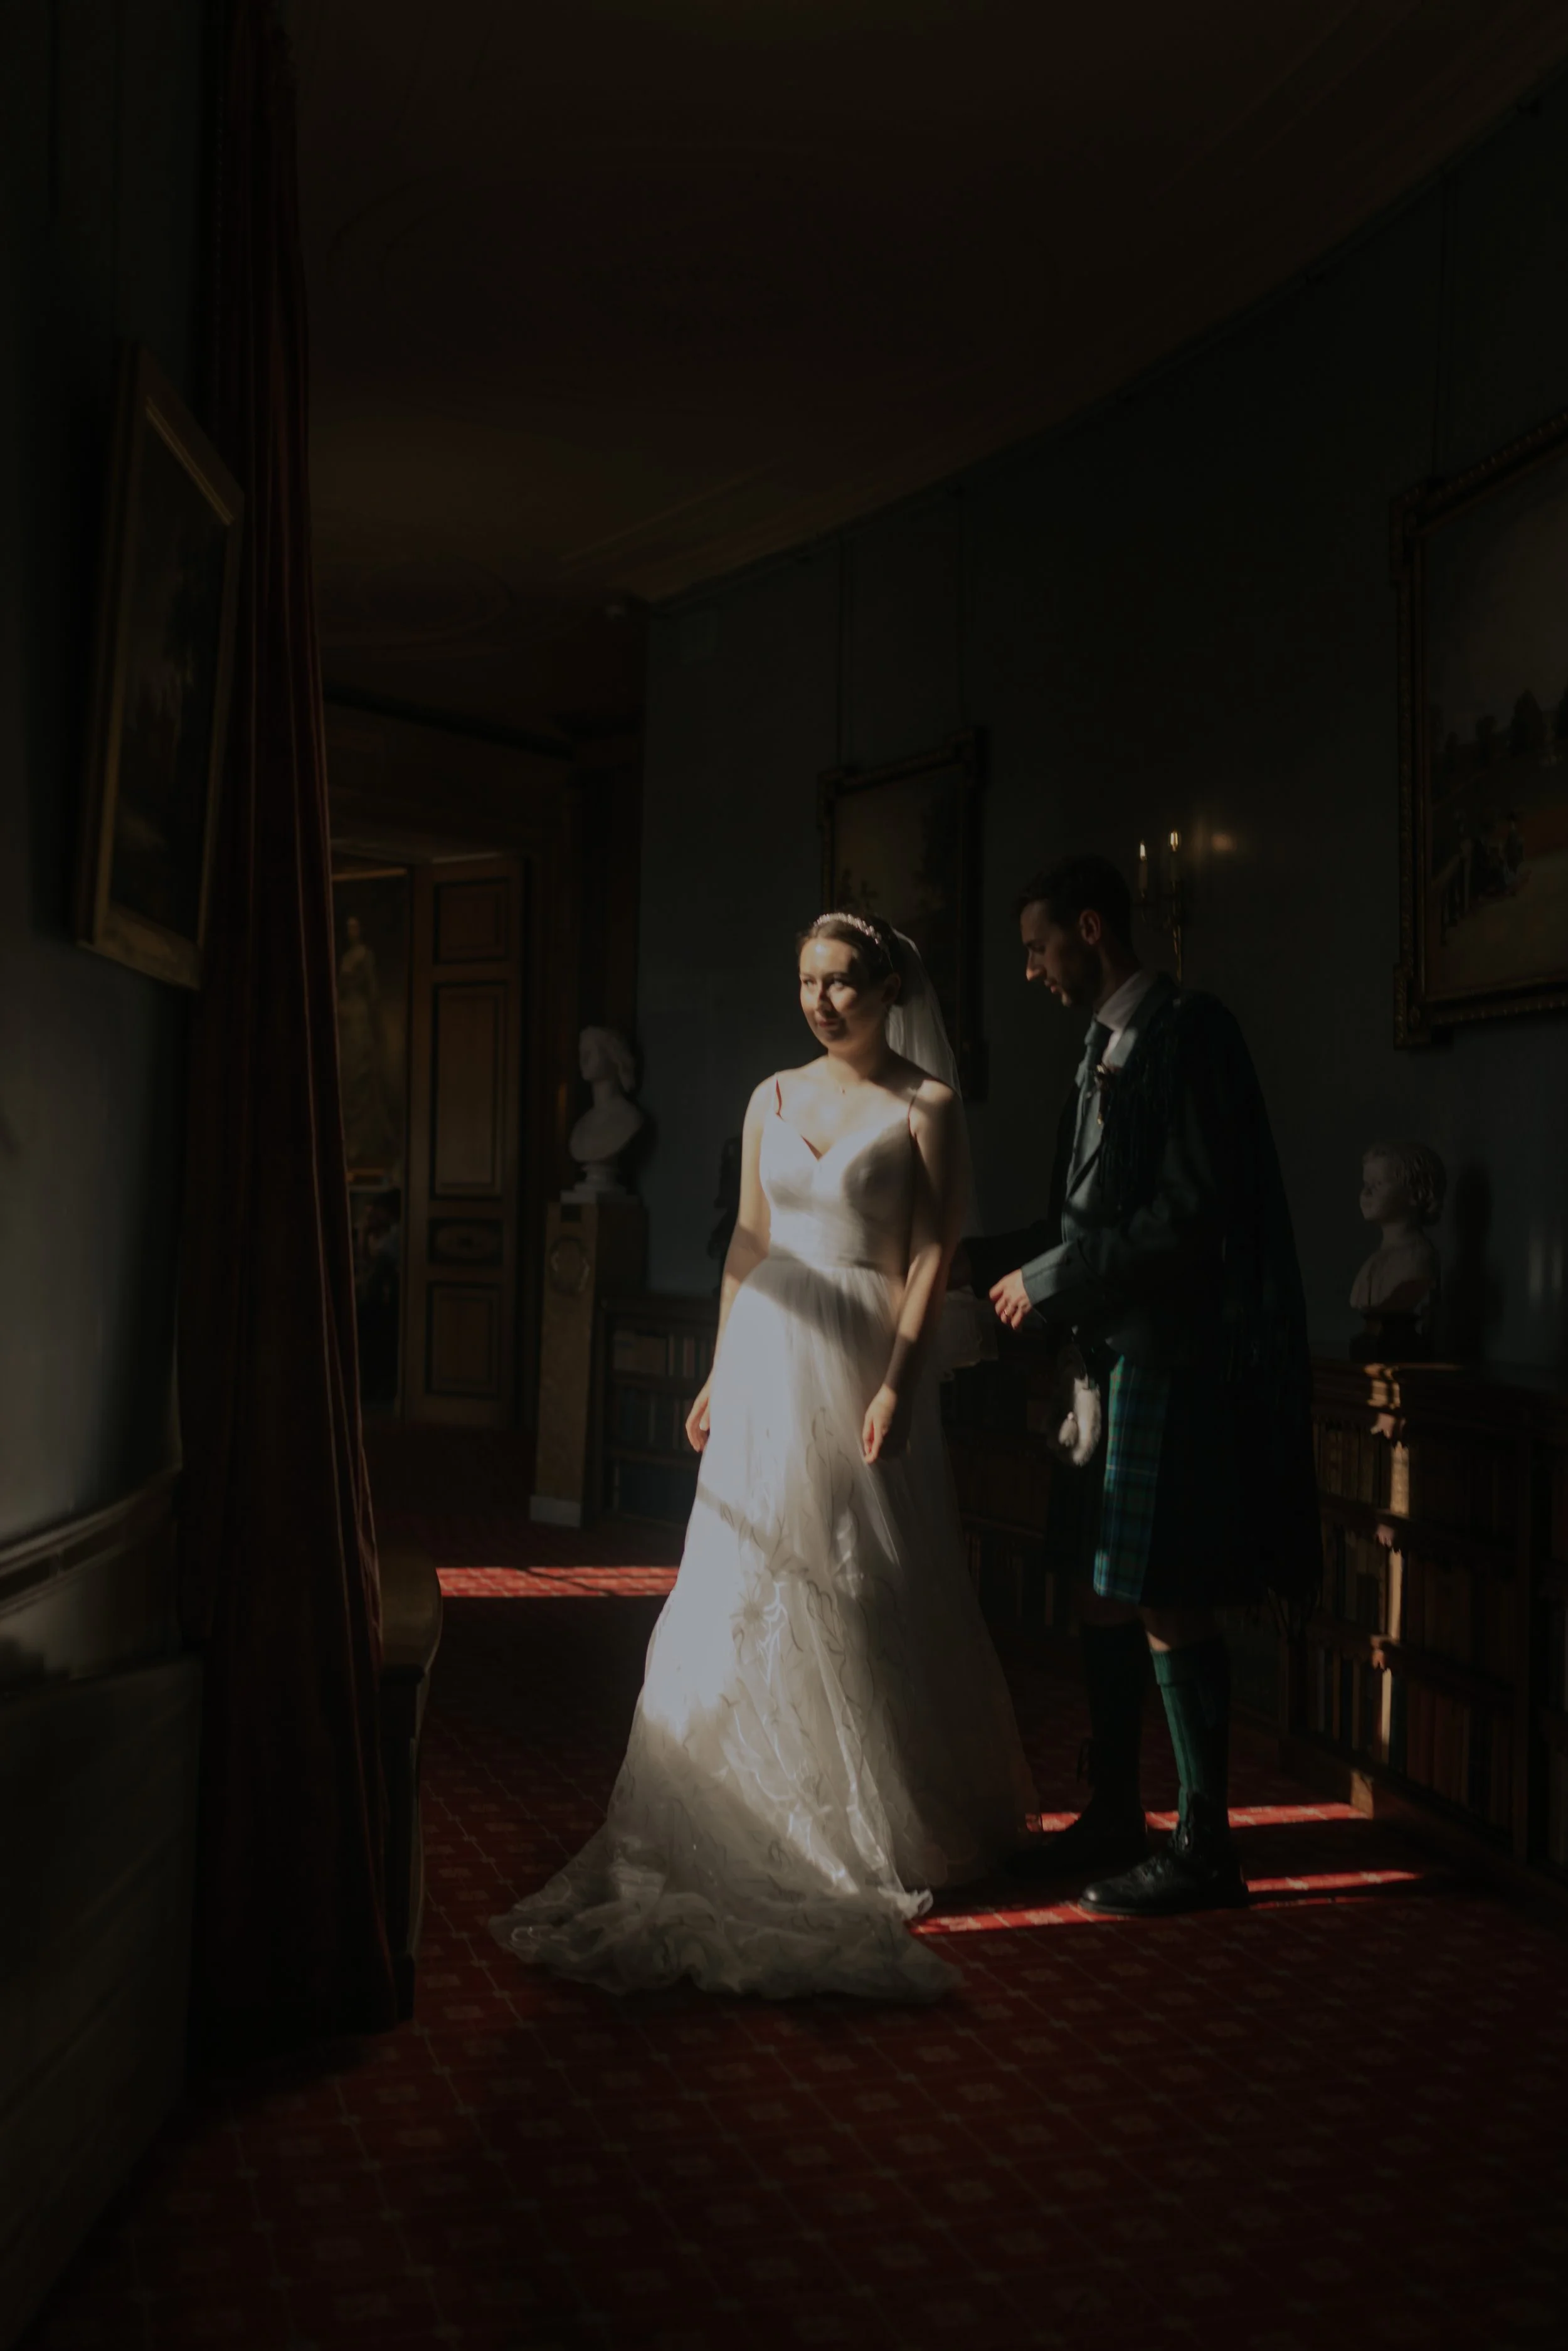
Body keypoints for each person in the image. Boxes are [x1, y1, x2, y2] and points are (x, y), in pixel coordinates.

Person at [491, 913, 1035, 2000]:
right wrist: (717, 1367)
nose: (820, 1001)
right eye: (805, 982)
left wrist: (894, 1380)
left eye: (840, 982)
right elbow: (747, 1238)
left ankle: (873, 1809)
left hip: (861, 1359)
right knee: (745, 1579)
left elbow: (935, 1251)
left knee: (856, 1571)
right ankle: (740, 1796)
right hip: (769, 1360)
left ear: (887, 987)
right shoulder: (769, 1098)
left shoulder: (926, 1105)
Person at [960, 855, 1318, 1917]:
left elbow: (1191, 1214)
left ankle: (1207, 1847)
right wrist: (975, 1258)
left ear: (1090, 928)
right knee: (1101, 1588)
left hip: (1168, 1353)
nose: (1030, 970)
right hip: (1106, 1356)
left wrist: (1051, 1277)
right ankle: (1117, 1812)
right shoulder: (1100, 1050)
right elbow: (1084, 1222)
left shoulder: (1190, 1033)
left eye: (1036, 947)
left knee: (1166, 1590)